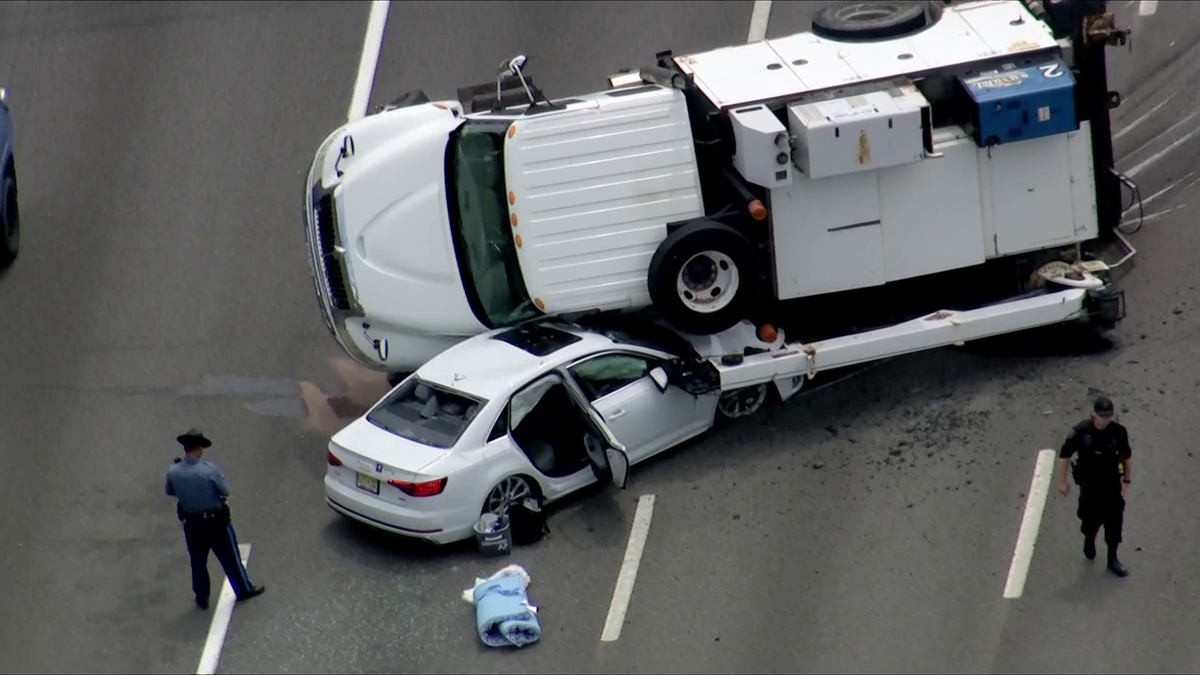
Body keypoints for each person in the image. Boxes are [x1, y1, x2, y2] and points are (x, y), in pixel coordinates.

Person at [165, 428, 265, 609]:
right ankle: (243, 589)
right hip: (215, 522)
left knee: (197, 561)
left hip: (192, 523)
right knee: (230, 557)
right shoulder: (209, 470)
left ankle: (201, 597)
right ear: (199, 449)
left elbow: (170, 491)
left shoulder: (174, 471)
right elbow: (224, 490)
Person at [1056, 396, 1132, 578]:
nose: (1105, 419)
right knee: (1090, 520)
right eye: (1102, 416)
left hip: (1112, 486)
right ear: (1093, 414)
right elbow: (1064, 456)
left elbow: (1126, 457)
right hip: (1090, 487)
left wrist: (1126, 481)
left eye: (1108, 416)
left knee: (1114, 523)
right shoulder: (1080, 432)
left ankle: (1112, 558)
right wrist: (1062, 481)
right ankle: (1089, 539)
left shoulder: (1118, 432)